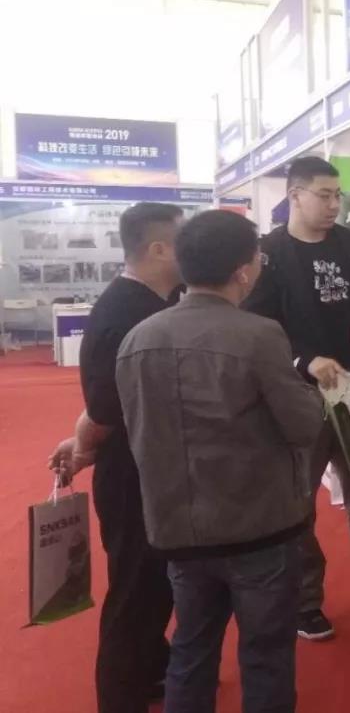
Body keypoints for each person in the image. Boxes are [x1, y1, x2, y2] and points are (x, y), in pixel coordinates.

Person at [115, 210, 325, 713]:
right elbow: (303, 426)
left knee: (190, 650)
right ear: (243, 271)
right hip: (258, 528)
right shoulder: (259, 335)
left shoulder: (137, 339)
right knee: (266, 656)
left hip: (177, 530)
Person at [243, 155, 350, 640]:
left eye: (338, 195)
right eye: (324, 195)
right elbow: (258, 329)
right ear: (295, 195)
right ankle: (304, 600)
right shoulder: (269, 254)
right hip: (297, 401)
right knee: (297, 501)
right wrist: (304, 361)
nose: (334, 205)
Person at [47, 202, 184, 713]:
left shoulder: (152, 302)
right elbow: (106, 408)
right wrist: (84, 445)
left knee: (155, 588)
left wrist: (84, 441)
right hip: (131, 477)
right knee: (135, 594)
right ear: (159, 249)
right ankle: (120, 697)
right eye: (184, 240)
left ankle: (151, 671)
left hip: (150, 468)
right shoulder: (125, 314)